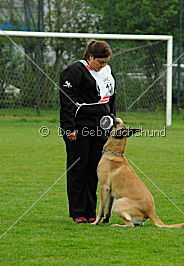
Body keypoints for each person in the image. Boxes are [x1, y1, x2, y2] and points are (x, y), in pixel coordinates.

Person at [60, 40, 116, 223]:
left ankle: (91, 211)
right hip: (79, 127)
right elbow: (67, 102)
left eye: (106, 62)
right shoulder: (75, 71)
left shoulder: (106, 71)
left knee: (94, 169)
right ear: (90, 56)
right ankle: (78, 213)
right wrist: (69, 128)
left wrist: (113, 119)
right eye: (100, 62)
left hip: (100, 127)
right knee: (78, 169)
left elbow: (111, 98)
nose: (103, 66)